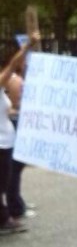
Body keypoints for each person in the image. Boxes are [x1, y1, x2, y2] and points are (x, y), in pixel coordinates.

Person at [0, 34, 38, 235]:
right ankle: (4, 220)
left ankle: (5, 217)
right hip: (2, 144)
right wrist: (26, 47)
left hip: (5, 141)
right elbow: (13, 65)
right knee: (3, 183)